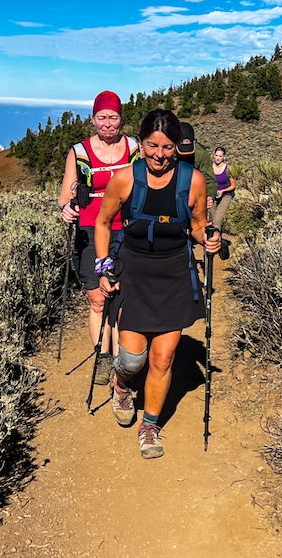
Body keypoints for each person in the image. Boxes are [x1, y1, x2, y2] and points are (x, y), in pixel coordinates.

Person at [94, 109, 220, 459]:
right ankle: (122, 383)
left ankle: (149, 426)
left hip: (175, 273)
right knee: (133, 359)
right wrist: (104, 267)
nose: (159, 155)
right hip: (134, 271)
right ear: (141, 143)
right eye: (152, 145)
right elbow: (103, 223)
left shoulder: (192, 181)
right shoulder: (124, 179)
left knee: (162, 359)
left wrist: (207, 237)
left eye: (167, 147)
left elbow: (196, 224)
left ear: (177, 146)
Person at [57, 91, 138, 386]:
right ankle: (103, 356)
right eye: (101, 117)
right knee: (97, 298)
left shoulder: (134, 149)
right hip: (91, 228)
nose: (107, 124)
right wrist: (67, 208)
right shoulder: (79, 153)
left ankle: (121, 361)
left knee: (121, 297)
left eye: (113, 117)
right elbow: (65, 194)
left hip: (126, 227)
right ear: (93, 120)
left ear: (121, 119)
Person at [176, 122, 216, 212]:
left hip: (195, 195)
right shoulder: (168, 151)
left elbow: (210, 179)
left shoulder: (201, 154)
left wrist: (210, 195)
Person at [210, 146, 237, 231]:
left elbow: (233, 185)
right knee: (212, 217)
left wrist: (222, 191)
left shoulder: (228, 169)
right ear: (214, 156)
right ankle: (212, 238)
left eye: (220, 156)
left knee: (217, 219)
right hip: (212, 194)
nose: (218, 158)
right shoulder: (209, 168)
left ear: (224, 157)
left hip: (226, 195)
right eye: (216, 155)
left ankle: (216, 240)